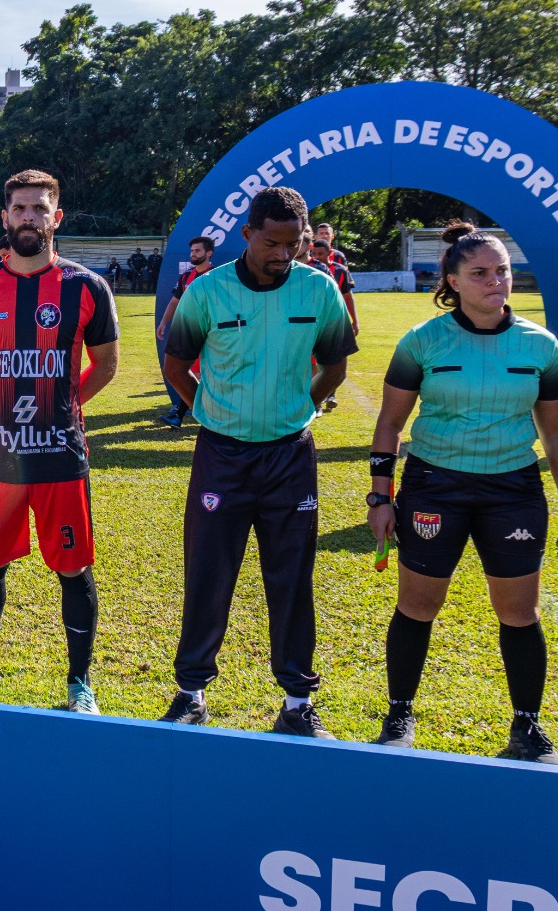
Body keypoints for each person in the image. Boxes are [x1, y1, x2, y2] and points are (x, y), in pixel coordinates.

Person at [159, 186, 357, 736]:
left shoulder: (319, 289)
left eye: (293, 243)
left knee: (292, 576)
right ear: (247, 235)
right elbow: (176, 365)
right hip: (221, 454)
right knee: (208, 572)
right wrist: (208, 409)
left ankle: (297, 701)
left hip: (290, 456)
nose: (283, 254)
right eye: (272, 242)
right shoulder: (207, 292)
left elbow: (335, 368)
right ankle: (191, 690)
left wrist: (302, 409)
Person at [367, 223, 558, 764]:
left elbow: (556, 435)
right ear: (451, 280)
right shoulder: (422, 342)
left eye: (502, 270)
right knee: (418, 605)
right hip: (436, 487)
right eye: (480, 273)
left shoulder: (541, 346)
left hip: (513, 490)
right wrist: (380, 499)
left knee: (519, 612)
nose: (496, 281)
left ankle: (527, 729)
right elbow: (389, 425)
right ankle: (399, 714)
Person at [0, 169, 119, 711]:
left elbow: (107, 364)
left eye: (39, 209)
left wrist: (65, 405)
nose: (29, 218)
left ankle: (80, 683)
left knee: (73, 566)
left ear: (56, 217)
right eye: (20, 209)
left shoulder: (87, 287)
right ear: (5, 217)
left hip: (59, 456)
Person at [155, 236, 215, 429]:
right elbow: (175, 301)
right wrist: (163, 322)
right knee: (190, 372)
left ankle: (180, 413)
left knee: (200, 374)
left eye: (197, 251)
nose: (193, 254)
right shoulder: (185, 277)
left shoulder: (217, 277)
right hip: (190, 333)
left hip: (212, 334)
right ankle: (182, 413)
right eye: (191, 251)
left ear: (209, 253)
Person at [308, 239, 360, 413]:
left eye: (320, 253)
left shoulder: (338, 271)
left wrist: (354, 320)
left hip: (332, 320)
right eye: (314, 254)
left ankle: (326, 396)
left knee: (333, 362)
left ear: (329, 253)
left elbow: (346, 296)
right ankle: (318, 400)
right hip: (311, 321)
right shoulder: (304, 271)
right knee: (312, 361)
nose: (317, 257)